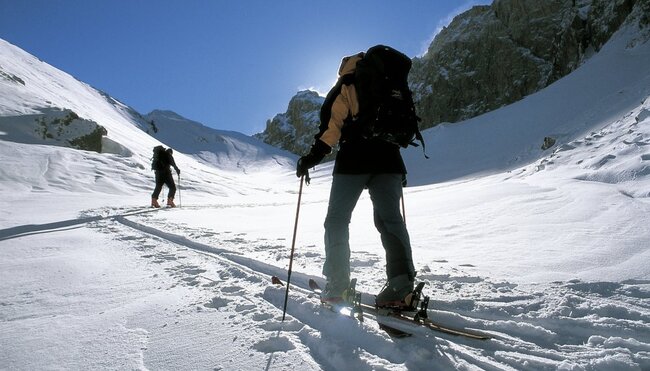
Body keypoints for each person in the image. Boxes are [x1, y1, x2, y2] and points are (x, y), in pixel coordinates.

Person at [296, 49, 416, 308]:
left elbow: (330, 132)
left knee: (337, 220)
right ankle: (401, 286)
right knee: (391, 221)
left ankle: (338, 286)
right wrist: (400, 171)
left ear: (344, 67)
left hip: (354, 161)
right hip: (390, 162)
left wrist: (309, 160)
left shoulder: (346, 86)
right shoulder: (391, 83)